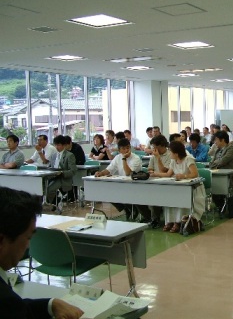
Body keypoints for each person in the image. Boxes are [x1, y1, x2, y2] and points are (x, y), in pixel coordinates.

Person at [0, 187, 84, 319]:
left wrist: (50, 305)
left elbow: (17, 309)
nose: (28, 246)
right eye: (28, 238)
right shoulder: (5, 299)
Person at [151, 141, 205, 233]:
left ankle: (179, 222)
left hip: (192, 188)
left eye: (171, 151)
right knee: (170, 199)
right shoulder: (173, 161)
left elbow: (195, 174)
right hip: (178, 187)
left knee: (180, 199)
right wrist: (155, 174)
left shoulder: (188, 159)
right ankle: (170, 221)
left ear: (176, 153)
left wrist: (183, 176)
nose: (169, 153)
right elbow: (168, 174)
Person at [94, 138, 141, 221]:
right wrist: (101, 173)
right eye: (123, 148)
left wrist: (124, 159)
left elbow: (128, 173)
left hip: (134, 185)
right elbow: (109, 170)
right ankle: (126, 209)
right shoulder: (117, 157)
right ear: (119, 150)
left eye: (128, 147)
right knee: (109, 193)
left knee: (122, 192)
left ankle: (132, 209)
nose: (126, 150)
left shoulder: (136, 158)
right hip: (121, 183)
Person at [146, 135, 172, 228]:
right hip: (154, 181)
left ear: (162, 145)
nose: (153, 149)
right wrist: (150, 171)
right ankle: (151, 218)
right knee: (141, 194)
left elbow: (164, 171)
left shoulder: (170, 155)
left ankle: (156, 219)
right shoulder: (154, 155)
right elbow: (150, 168)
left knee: (155, 194)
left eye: (155, 146)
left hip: (167, 182)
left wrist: (158, 157)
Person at [46, 135, 77, 212]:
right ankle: (51, 203)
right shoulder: (54, 155)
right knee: (43, 187)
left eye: (59, 145)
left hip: (63, 178)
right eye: (55, 145)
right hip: (52, 177)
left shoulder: (69, 155)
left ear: (64, 145)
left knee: (50, 189)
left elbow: (73, 170)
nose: (57, 147)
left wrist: (62, 173)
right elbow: (50, 166)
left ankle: (51, 204)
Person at [209, 130, 233, 210]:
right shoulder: (217, 150)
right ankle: (220, 206)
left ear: (222, 140)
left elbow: (222, 161)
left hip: (229, 177)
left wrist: (215, 163)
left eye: (216, 140)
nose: (215, 142)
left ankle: (222, 206)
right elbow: (211, 163)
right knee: (213, 187)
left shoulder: (231, 148)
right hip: (216, 175)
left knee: (217, 188)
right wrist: (215, 163)